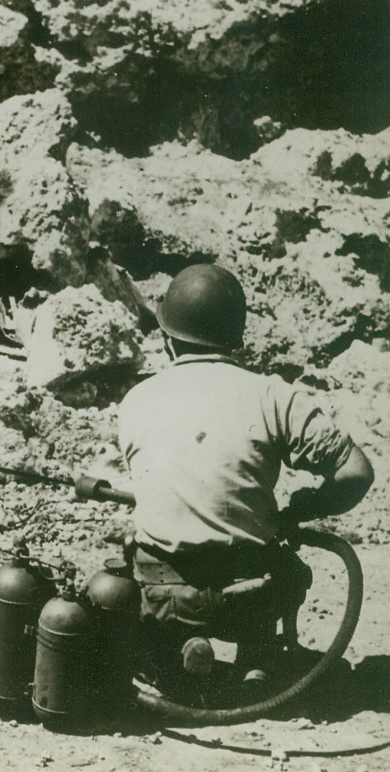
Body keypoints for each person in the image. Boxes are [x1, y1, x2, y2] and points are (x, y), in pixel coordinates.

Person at [116, 263, 374, 685]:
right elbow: (357, 472)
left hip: (163, 595)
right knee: (289, 569)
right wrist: (300, 511)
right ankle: (256, 652)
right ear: (236, 338)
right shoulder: (273, 396)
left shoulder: (136, 400)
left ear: (167, 339)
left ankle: (174, 650)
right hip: (250, 594)